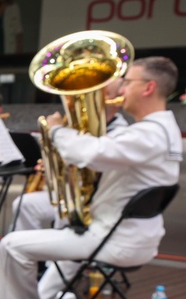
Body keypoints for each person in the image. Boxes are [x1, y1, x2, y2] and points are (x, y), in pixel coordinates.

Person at [0, 57, 182, 299]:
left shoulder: (148, 134)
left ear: (148, 88)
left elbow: (94, 154)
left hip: (113, 239)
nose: (122, 89)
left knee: (11, 245)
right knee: (43, 226)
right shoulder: (162, 130)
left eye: (127, 82)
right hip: (129, 235)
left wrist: (56, 132)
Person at [10, 80, 128, 234]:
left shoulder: (121, 133)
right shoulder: (76, 126)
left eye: (104, 93)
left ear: (117, 101)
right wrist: (52, 165)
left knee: (67, 211)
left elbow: (91, 158)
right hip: (70, 193)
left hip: (95, 200)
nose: (92, 97)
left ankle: (54, 256)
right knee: (24, 204)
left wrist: (58, 132)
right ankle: (34, 252)